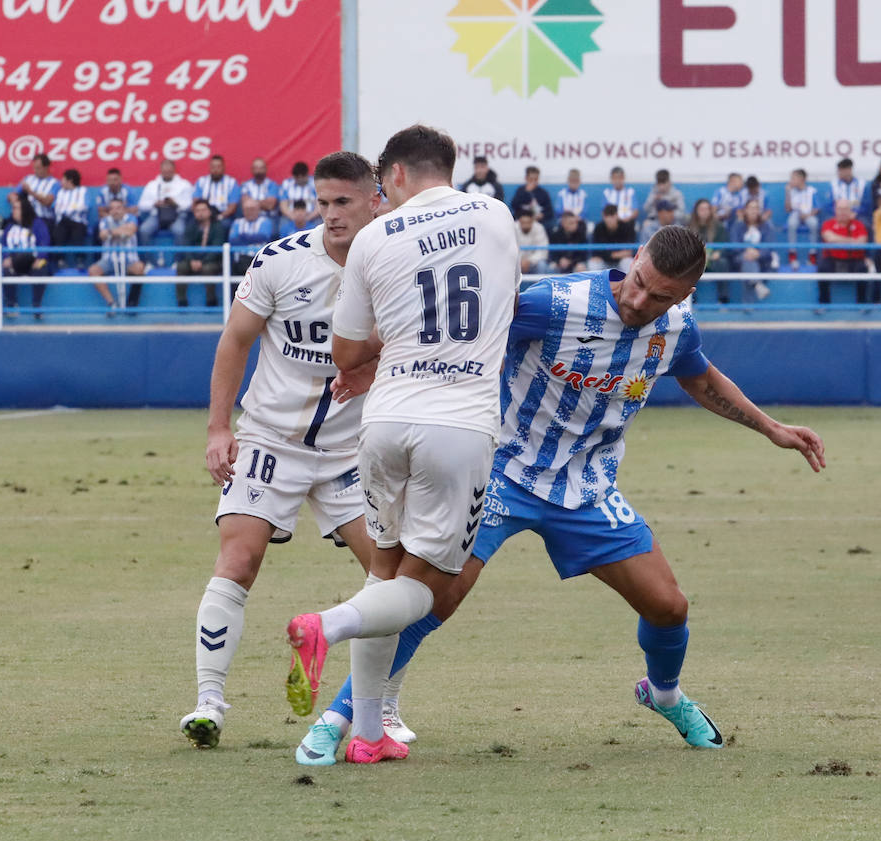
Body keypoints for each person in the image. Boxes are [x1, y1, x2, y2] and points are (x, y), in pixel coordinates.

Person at [294, 226, 827, 765]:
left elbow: (701, 378)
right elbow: (463, 332)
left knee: (669, 607)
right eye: (638, 281)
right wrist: (373, 365)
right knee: (432, 599)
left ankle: (663, 694)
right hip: (502, 471)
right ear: (635, 257)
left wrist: (772, 428)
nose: (639, 300)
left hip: (587, 487)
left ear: (685, 295)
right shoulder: (555, 302)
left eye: (659, 295)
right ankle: (336, 719)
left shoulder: (678, 327)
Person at [282, 124, 521, 764]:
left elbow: (346, 353)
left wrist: (382, 346)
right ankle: (324, 625)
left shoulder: (373, 237)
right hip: (459, 425)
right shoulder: (496, 216)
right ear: (448, 166)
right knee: (428, 587)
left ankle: (366, 736)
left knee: (383, 570)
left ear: (393, 176)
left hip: (384, 422)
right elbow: (500, 304)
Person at [177, 152, 383, 749]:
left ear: (375, 201)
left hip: (351, 452)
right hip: (271, 439)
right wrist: (219, 429)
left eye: (343, 202)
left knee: (389, 580)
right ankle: (209, 703)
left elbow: (417, 344)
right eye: (322, 203)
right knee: (238, 559)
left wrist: (371, 371)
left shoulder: (395, 262)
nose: (330, 214)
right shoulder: (280, 260)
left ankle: (380, 709)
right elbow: (235, 341)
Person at [89, 197, 145, 311]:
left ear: (124, 209)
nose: (115, 211)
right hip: (109, 260)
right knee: (93, 271)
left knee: (139, 268)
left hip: (130, 259)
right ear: (109, 211)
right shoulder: (104, 220)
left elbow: (130, 231)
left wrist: (111, 232)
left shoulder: (131, 218)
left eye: (118, 208)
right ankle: (111, 302)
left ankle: (132, 302)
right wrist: (121, 230)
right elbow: (102, 235)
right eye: (112, 208)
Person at [1, 192, 51, 316]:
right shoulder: (9, 227)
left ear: (25, 210)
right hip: (13, 261)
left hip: (33, 260)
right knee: (6, 270)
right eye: (13, 208)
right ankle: (11, 304)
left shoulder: (38, 224)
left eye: (16, 208)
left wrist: (40, 257)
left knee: (41, 269)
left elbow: (44, 242)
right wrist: (5, 257)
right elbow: (3, 244)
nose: (13, 211)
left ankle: (36, 305)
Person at [174, 199, 228, 308]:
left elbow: (217, 247)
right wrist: (192, 260)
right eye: (197, 211)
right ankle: (181, 301)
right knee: (181, 266)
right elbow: (186, 245)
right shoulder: (191, 226)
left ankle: (211, 300)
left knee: (208, 269)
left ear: (209, 212)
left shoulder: (217, 226)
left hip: (211, 260)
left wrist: (203, 261)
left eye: (203, 210)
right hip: (193, 259)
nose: (201, 213)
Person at [817, 198, 870, 306]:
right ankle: (824, 303)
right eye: (840, 209)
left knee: (863, 269)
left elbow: (862, 242)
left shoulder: (859, 224)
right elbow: (830, 239)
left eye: (845, 209)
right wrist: (852, 240)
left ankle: (862, 304)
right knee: (822, 268)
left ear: (850, 211)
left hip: (854, 259)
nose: (842, 212)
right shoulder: (828, 224)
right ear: (835, 210)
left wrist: (838, 240)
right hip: (833, 259)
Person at [137, 159, 195, 249]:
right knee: (144, 230)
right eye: (165, 171)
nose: (167, 173)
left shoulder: (184, 184)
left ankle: (179, 258)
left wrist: (176, 204)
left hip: (177, 215)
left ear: (174, 170)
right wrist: (154, 204)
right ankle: (148, 258)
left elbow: (190, 205)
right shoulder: (152, 185)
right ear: (161, 170)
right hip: (157, 215)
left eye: (169, 170)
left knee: (180, 231)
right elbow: (141, 205)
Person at [729, 198, 776, 302]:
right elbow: (734, 244)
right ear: (745, 210)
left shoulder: (766, 226)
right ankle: (757, 285)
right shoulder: (737, 226)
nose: (754, 211)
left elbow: (769, 245)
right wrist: (747, 250)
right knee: (748, 260)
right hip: (741, 257)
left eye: (756, 208)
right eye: (751, 208)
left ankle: (748, 306)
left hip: (761, 259)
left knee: (748, 263)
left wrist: (758, 253)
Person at [686, 198, 728, 305]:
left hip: (713, 259)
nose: (704, 212)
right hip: (696, 260)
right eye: (701, 209)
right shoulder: (689, 226)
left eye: (706, 209)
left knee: (723, 263)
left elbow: (723, 244)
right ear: (696, 211)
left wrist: (718, 252)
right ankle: (692, 300)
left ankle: (723, 299)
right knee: (686, 265)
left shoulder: (718, 226)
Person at [228, 197, 277, 275]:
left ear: (258, 210)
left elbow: (263, 237)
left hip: (260, 261)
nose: (249, 212)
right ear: (243, 210)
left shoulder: (265, 221)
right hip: (239, 261)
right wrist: (253, 238)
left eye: (252, 209)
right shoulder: (237, 222)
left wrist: (243, 237)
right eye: (247, 209)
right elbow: (232, 240)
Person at [50, 169, 89, 267]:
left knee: (78, 234)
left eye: (63, 179)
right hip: (63, 220)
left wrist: (69, 210)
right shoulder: (61, 192)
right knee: (57, 233)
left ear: (70, 180)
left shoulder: (83, 191)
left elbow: (84, 206)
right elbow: (56, 207)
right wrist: (70, 209)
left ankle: (80, 260)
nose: (61, 182)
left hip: (78, 221)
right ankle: (60, 260)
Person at [17, 153, 58, 232]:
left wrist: (30, 192)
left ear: (46, 167)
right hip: (27, 218)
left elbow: (47, 202)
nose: (35, 171)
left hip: (44, 219)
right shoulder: (28, 179)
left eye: (38, 168)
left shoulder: (54, 183)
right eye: (34, 168)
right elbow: (13, 195)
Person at [784, 168, 820, 258]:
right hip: (795, 214)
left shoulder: (812, 191)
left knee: (814, 223)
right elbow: (788, 209)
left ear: (801, 179)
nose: (791, 181)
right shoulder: (791, 191)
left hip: (809, 214)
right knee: (791, 224)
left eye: (793, 178)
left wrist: (807, 215)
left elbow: (817, 208)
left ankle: (812, 252)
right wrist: (787, 193)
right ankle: (792, 252)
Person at [590, 203, 636, 271]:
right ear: (603, 216)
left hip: (621, 261)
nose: (609, 219)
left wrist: (608, 255)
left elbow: (629, 252)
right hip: (604, 262)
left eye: (612, 215)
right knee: (593, 264)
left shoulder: (627, 227)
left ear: (617, 215)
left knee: (629, 262)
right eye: (606, 216)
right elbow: (595, 252)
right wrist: (617, 254)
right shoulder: (599, 228)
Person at [194, 155, 240, 220]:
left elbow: (232, 206)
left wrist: (220, 217)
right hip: (204, 215)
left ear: (223, 167)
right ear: (209, 168)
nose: (215, 170)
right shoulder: (201, 181)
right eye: (213, 167)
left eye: (218, 167)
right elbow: (195, 202)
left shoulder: (231, 182)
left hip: (223, 215)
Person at [240, 157, 280, 224]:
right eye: (256, 168)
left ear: (266, 169)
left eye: (261, 168)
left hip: (269, 218)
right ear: (252, 170)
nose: (258, 171)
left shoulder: (272, 185)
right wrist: (263, 202)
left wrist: (252, 202)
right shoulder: (246, 185)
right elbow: (246, 205)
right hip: (249, 218)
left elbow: (270, 205)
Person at [548, 209, 589, 274]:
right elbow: (552, 253)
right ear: (563, 223)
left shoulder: (581, 234)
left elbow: (584, 254)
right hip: (559, 263)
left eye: (576, 222)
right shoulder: (555, 235)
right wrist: (559, 260)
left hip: (575, 263)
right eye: (571, 223)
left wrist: (571, 261)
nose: (575, 225)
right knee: (551, 267)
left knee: (581, 267)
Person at [514, 206, 550, 274]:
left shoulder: (539, 228)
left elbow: (543, 251)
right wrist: (520, 261)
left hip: (533, 262)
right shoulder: (513, 227)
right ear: (519, 221)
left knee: (542, 265)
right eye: (523, 223)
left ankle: (540, 281)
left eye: (528, 222)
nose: (525, 225)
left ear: (532, 221)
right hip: (517, 262)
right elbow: (510, 250)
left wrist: (529, 261)